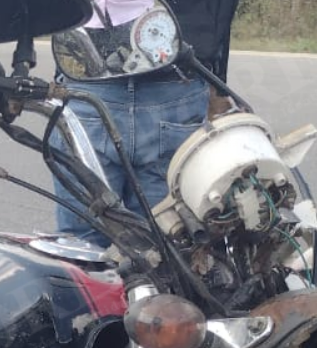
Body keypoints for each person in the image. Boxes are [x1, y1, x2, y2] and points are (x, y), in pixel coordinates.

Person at [52, 0, 237, 244]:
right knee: (167, 245)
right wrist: (217, 80)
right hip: (176, 79)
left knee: (83, 246)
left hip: (88, 73)